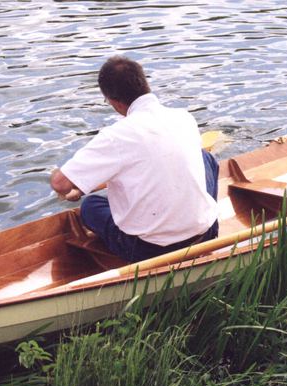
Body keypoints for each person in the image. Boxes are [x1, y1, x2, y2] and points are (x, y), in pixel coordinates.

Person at [50, 56, 219, 262]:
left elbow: (60, 184)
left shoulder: (115, 136)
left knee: (90, 206)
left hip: (151, 250)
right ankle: (196, 224)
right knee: (207, 159)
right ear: (145, 84)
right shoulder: (184, 117)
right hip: (206, 234)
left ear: (114, 102)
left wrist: (73, 191)